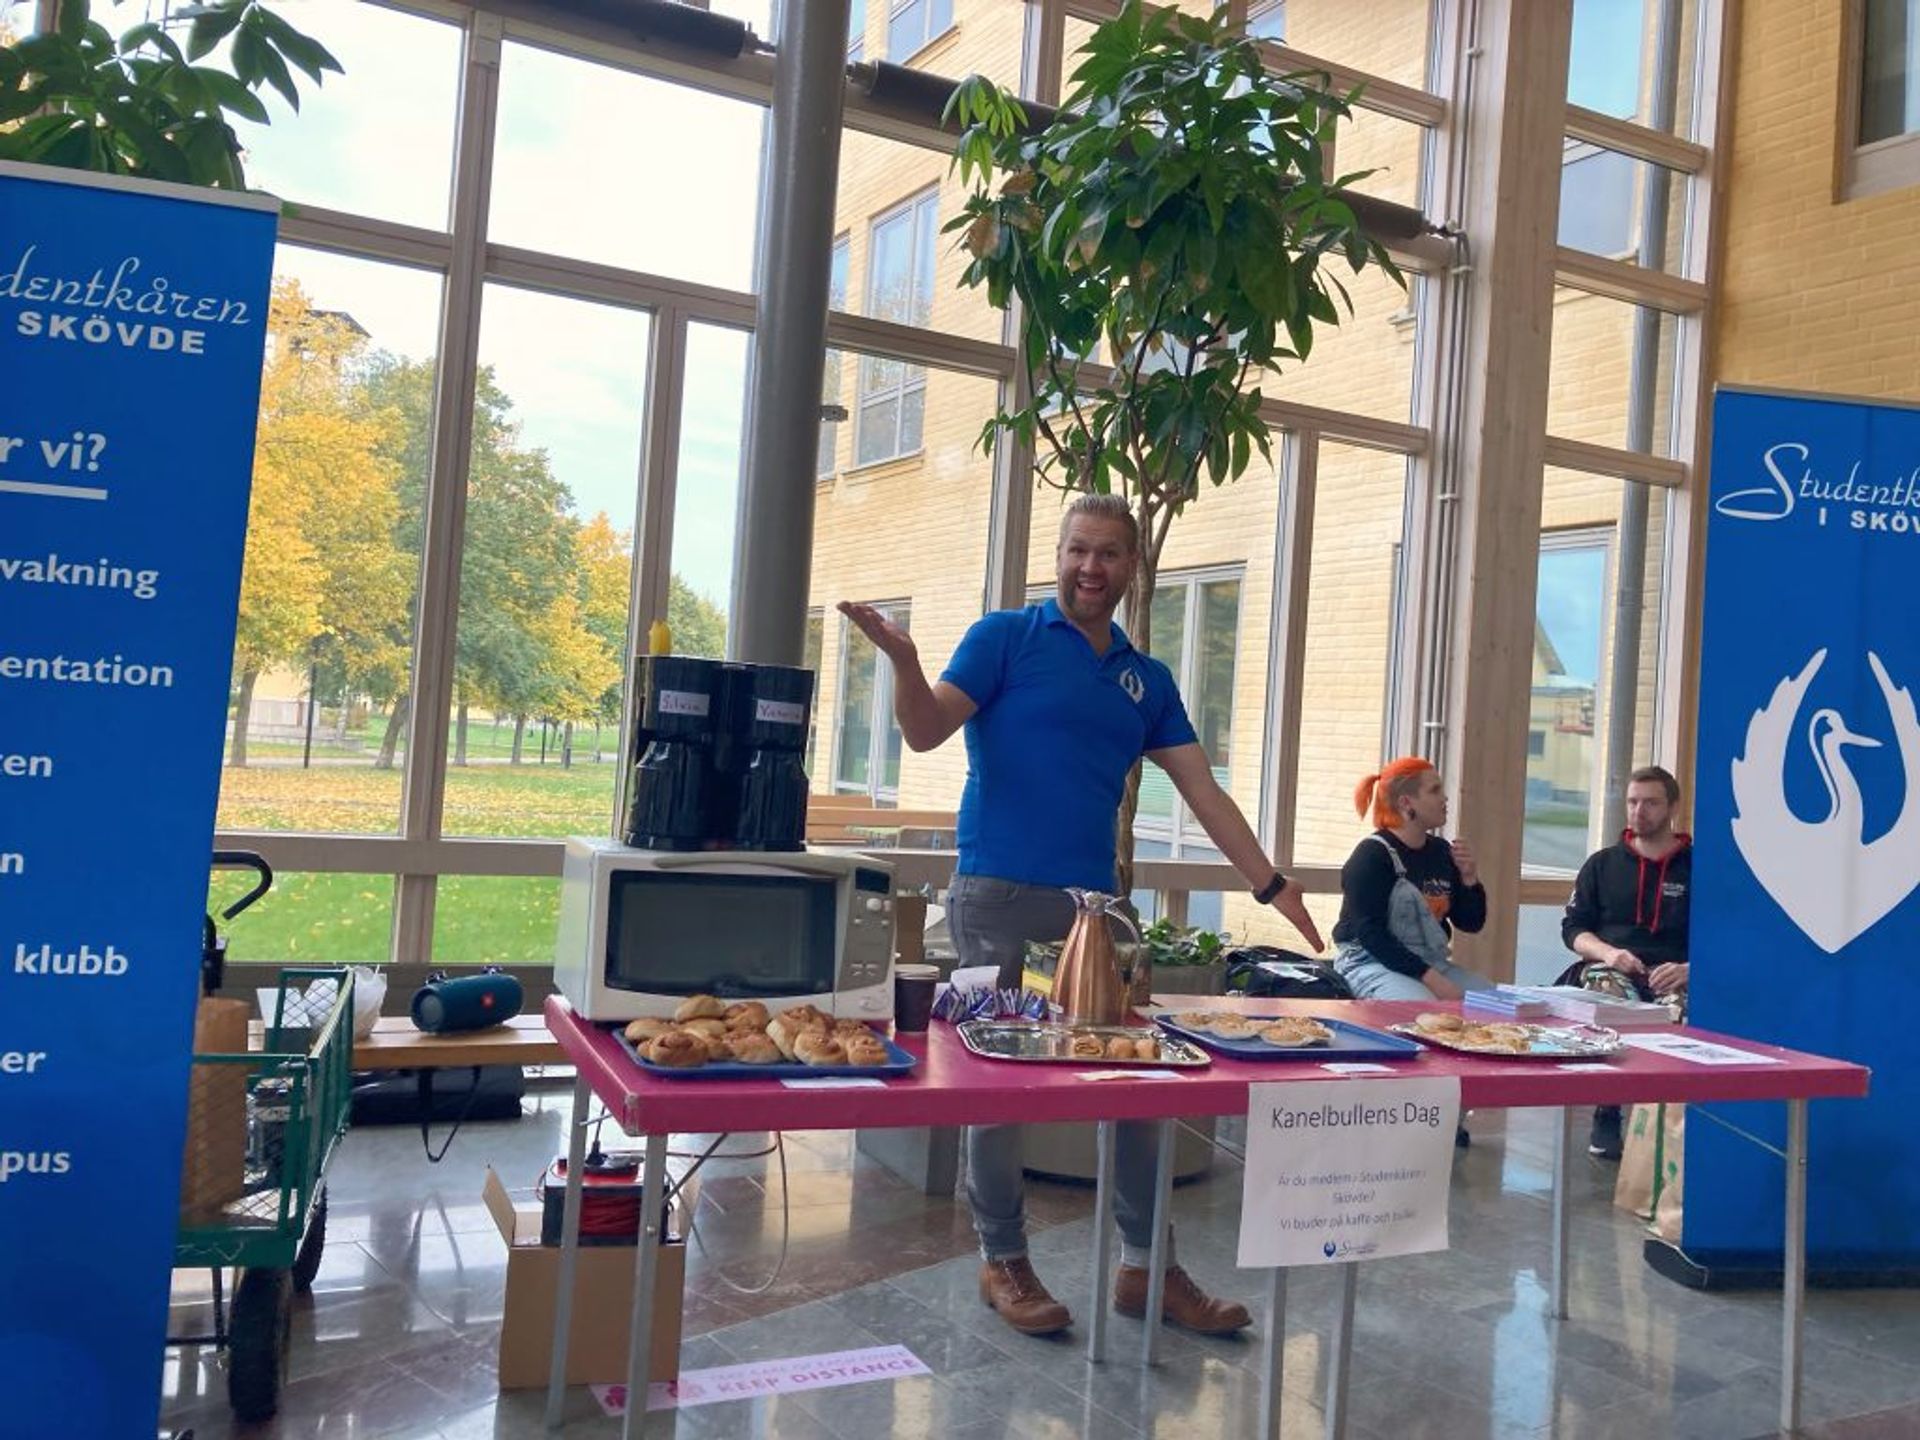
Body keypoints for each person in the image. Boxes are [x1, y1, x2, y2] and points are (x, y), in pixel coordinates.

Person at [838, 492, 1322, 1340]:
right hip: (992, 895)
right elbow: (922, 733)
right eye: (1077, 550)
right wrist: (904, 663)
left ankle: (1149, 1270)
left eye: (1107, 554)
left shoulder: (1146, 679)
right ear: (1056, 555)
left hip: (1093, 915)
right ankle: (1004, 1258)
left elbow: (1203, 794)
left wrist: (1271, 883)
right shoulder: (1004, 640)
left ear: (1132, 568)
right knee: (997, 1086)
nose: (1089, 568)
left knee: (1136, 1082)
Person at [1561, 764, 1691, 1159]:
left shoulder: (1701, 867)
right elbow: (1573, 931)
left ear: (1671, 807)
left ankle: (1661, 1124)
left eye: (1650, 803)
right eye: (1633, 802)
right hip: (1610, 968)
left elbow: (1727, 937)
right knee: (1611, 998)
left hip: (1675, 974)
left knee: (1678, 1014)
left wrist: (1689, 970)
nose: (1639, 811)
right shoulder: (1601, 865)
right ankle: (1608, 1108)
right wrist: (1609, 953)